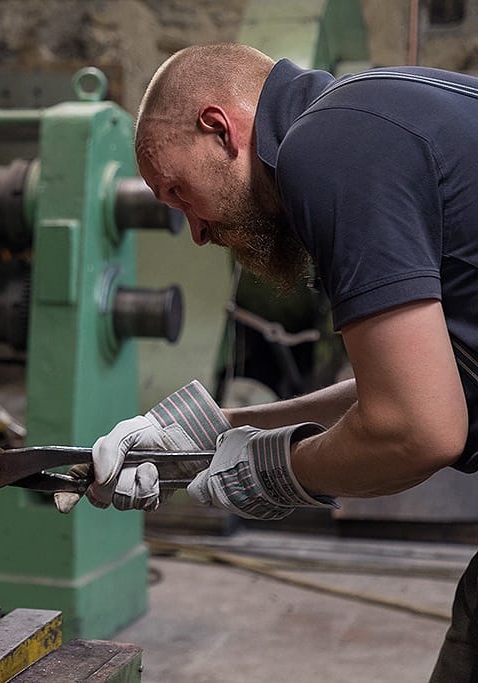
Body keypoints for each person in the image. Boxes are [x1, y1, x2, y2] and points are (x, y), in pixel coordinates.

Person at [54, 43, 478, 681]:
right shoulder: (366, 113)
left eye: (178, 191)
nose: (195, 232)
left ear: (219, 129)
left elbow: (418, 429)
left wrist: (269, 472)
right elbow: (409, 390)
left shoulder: (330, 148)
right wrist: (216, 431)